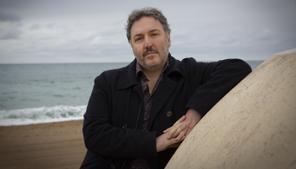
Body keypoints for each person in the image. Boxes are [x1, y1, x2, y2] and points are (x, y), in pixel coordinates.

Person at [80, 7, 251, 169]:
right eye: (139, 38)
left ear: (168, 38)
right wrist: (155, 142)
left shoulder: (190, 72)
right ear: (131, 45)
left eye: (154, 34)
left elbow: (237, 68)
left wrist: (195, 111)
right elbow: (94, 133)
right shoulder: (107, 81)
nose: (147, 43)